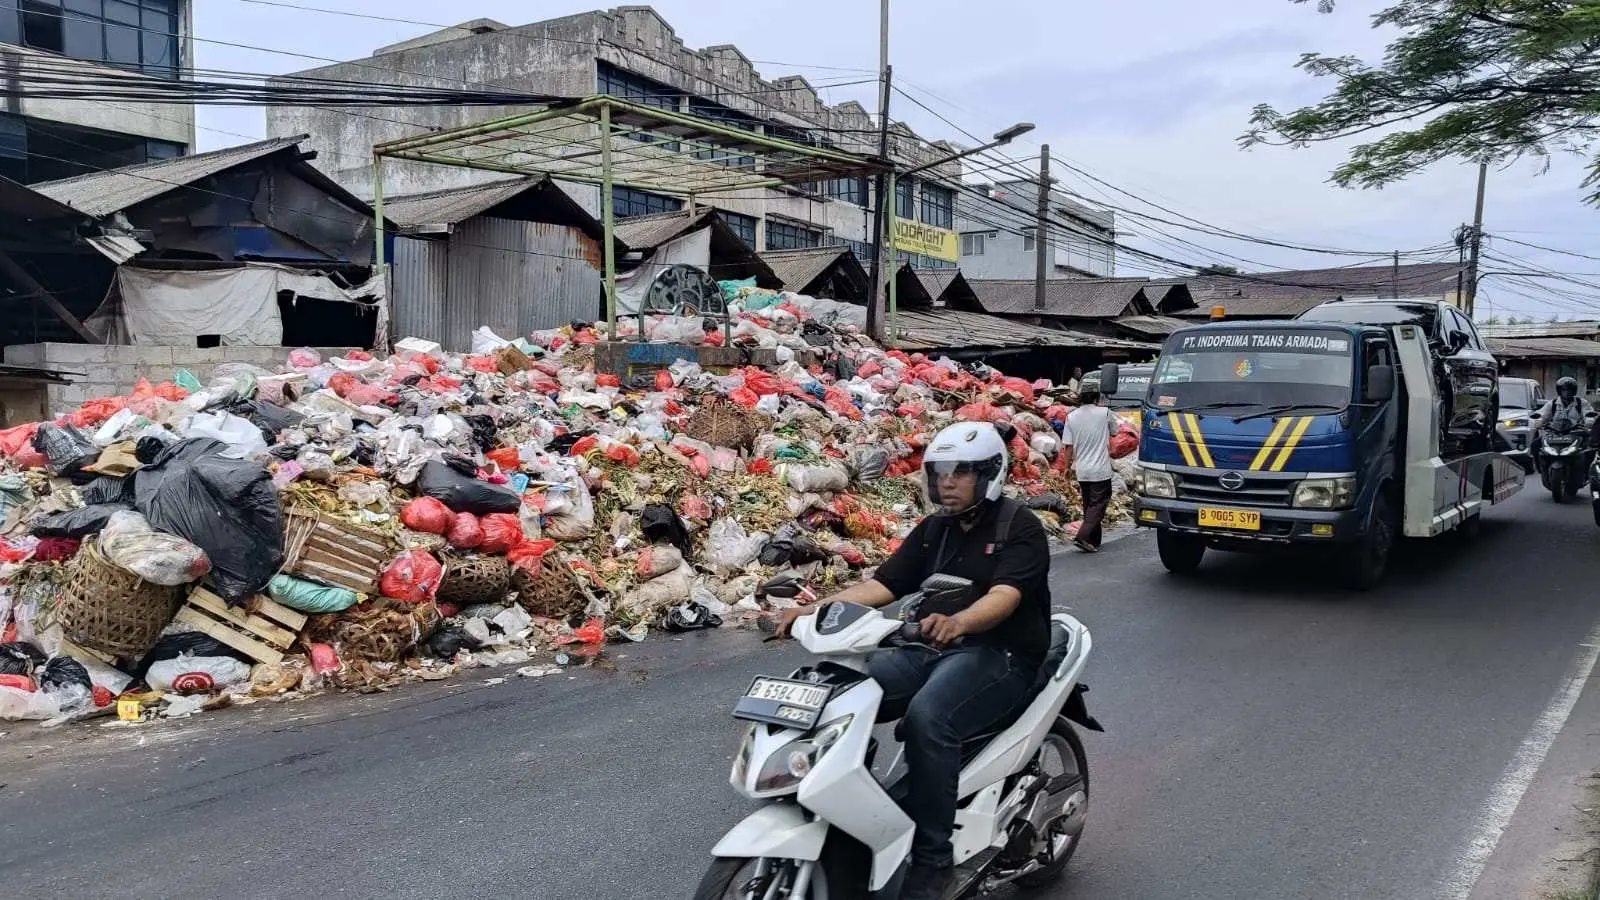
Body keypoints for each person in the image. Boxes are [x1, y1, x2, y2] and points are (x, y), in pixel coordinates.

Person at [774, 421, 1051, 900]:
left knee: (929, 718)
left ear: (990, 474)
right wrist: (814, 608)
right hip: (928, 648)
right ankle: (848, 816)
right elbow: (882, 586)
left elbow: (1006, 595)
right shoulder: (934, 530)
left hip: (999, 654)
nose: (947, 482)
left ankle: (933, 860)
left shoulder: (1018, 526)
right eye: (941, 472)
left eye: (961, 472)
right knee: (836, 692)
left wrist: (962, 621)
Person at [1062, 386, 1118, 552]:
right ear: (1096, 399)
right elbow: (1115, 432)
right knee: (1098, 504)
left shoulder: (1071, 417)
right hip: (1100, 469)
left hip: (1082, 469)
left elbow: (1068, 446)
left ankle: (1094, 540)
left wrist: (1066, 467)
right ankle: (1082, 536)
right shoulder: (1105, 413)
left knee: (1089, 505)